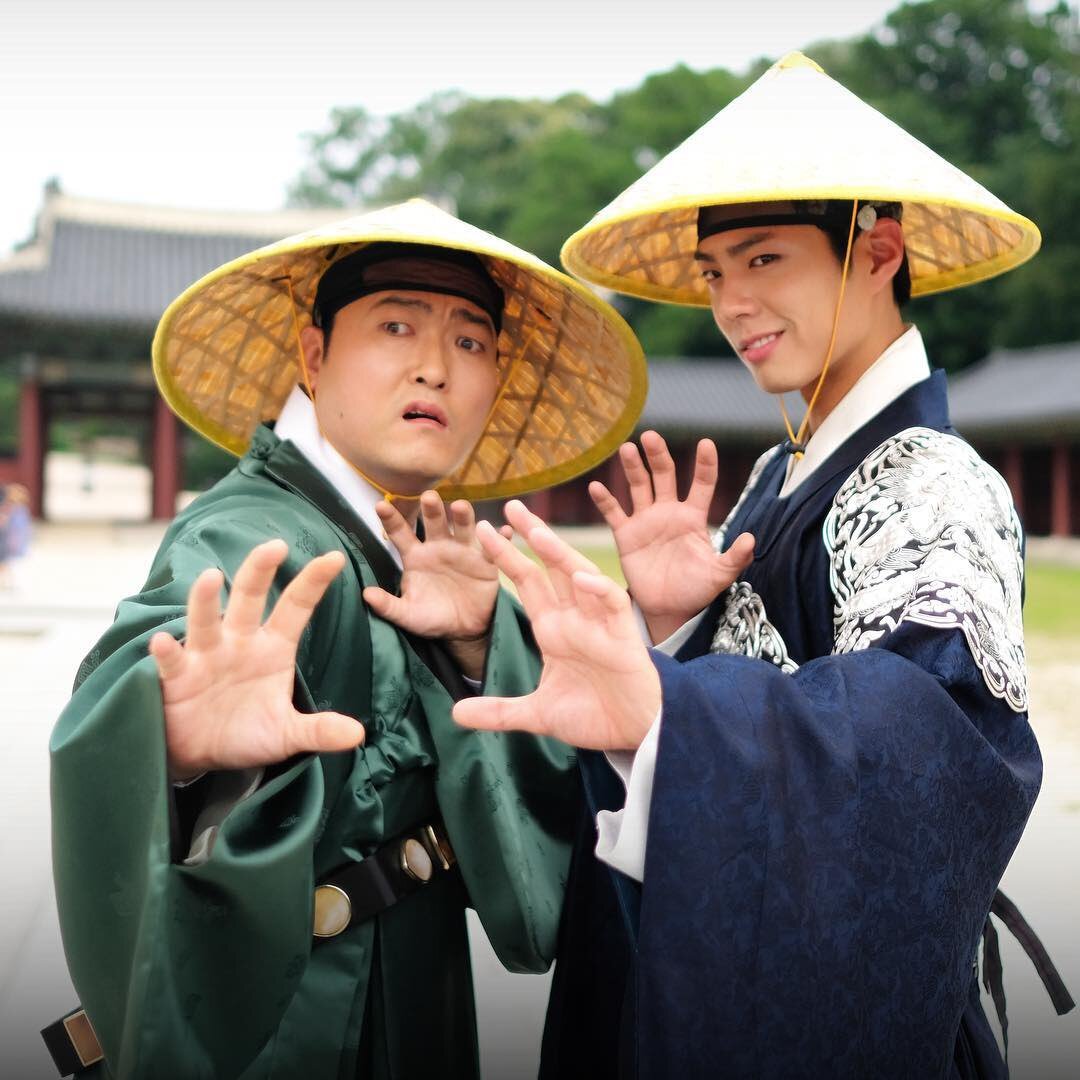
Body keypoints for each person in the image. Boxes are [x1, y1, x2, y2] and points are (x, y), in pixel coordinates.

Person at [453, 53, 1072, 1078]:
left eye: (763, 260)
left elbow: (917, 766)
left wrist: (671, 715)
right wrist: (669, 632)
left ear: (877, 250)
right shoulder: (776, 479)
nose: (731, 302)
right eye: (714, 274)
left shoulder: (933, 484)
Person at [46, 199, 646, 1079]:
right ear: (313, 356)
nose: (436, 368)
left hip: (413, 979)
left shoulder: (411, 552)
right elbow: (161, 645)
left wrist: (479, 641)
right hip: (297, 1019)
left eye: (472, 342)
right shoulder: (257, 532)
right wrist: (176, 744)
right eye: (396, 326)